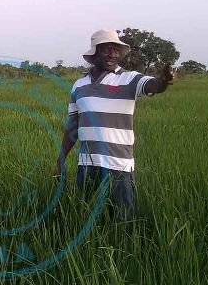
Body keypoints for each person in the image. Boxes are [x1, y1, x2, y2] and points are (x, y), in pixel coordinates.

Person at [55, 28, 175, 218]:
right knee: (84, 218)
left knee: (122, 222)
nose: (112, 54)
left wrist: (163, 81)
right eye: (106, 49)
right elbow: (72, 126)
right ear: (94, 54)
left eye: (116, 49)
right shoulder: (79, 85)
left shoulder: (129, 78)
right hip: (87, 164)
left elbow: (152, 85)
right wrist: (61, 160)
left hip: (119, 166)